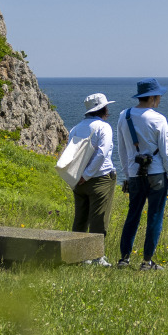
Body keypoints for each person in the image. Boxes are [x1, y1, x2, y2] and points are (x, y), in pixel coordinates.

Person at [115, 80, 168, 269]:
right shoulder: (159, 119)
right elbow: (167, 153)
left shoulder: (123, 116)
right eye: (158, 96)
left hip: (135, 174)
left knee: (132, 215)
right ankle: (147, 261)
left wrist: (127, 175)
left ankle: (124, 259)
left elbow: (123, 151)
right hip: (157, 173)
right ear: (152, 97)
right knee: (155, 216)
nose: (159, 100)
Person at [66, 92, 117, 264]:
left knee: (80, 218)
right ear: (103, 109)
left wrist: (79, 176)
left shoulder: (76, 128)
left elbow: (69, 154)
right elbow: (102, 153)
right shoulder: (104, 127)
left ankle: (77, 255)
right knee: (99, 218)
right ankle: (97, 257)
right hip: (100, 178)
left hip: (77, 179)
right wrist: (87, 175)